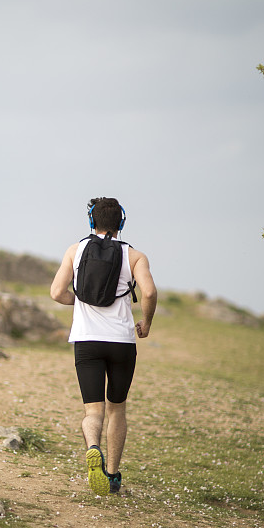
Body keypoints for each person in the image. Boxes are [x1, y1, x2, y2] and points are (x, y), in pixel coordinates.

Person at [50, 197, 157, 495]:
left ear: (91, 222)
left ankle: (92, 447)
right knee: (117, 410)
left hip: (87, 342)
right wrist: (146, 324)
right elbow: (148, 292)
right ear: (121, 223)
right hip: (122, 343)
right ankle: (112, 476)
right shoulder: (135, 256)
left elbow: (57, 292)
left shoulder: (75, 250)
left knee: (93, 411)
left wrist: (81, 302)